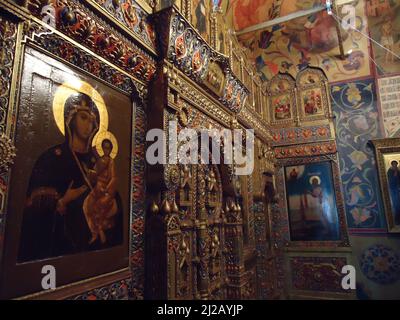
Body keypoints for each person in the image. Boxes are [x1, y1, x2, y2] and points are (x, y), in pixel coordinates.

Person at [18, 93, 123, 262]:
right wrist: (63, 202)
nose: (88, 125)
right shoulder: (52, 158)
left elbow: (116, 201)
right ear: (70, 118)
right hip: (60, 252)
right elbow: (33, 213)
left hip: (95, 254)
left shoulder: (98, 161)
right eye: (83, 117)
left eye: (92, 120)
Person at [83, 139, 118, 244]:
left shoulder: (111, 161)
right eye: (104, 147)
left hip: (106, 189)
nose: (106, 150)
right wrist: (88, 172)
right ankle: (94, 232)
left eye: (108, 148)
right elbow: (94, 174)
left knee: (98, 206)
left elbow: (113, 178)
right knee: (87, 205)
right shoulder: (100, 160)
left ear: (111, 149)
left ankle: (99, 230)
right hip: (97, 188)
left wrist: (107, 189)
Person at [387, 160, 400, 225]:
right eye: (394, 164)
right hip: (393, 189)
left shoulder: (397, 170)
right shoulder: (390, 171)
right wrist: (395, 173)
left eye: (396, 164)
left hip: (398, 189)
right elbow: (391, 181)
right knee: (396, 205)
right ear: (392, 165)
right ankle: (397, 220)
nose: (395, 166)